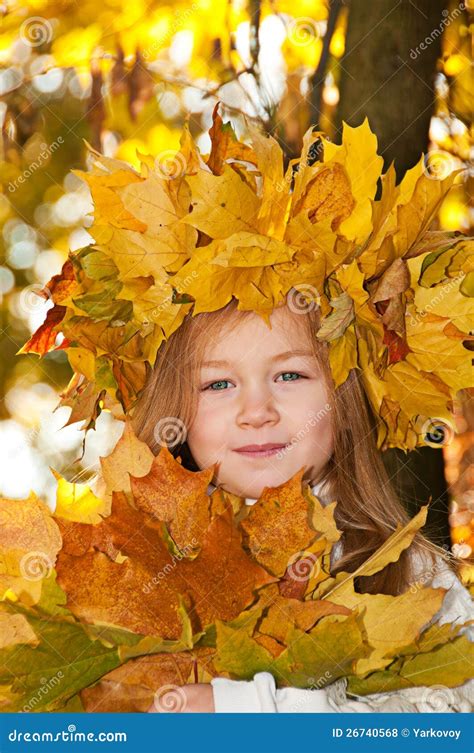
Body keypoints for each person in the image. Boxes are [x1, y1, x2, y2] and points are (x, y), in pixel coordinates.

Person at [129, 294, 474, 714]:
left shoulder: (407, 574)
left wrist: (255, 713)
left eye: (289, 375)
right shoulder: (138, 565)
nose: (256, 412)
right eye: (218, 384)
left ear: (342, 393)